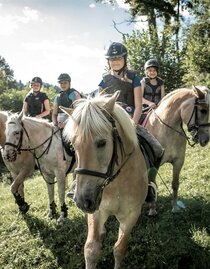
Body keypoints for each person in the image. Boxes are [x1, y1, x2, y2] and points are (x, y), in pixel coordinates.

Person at [98, 42, 164, 203]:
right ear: (108, 62)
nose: (115, 62)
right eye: (112, 59)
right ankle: (78, 184)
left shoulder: (134, 78)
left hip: (131, 120)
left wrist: (133, 125)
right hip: (110, 123)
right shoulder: (104, 81)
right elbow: (101, 105)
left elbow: (139, 105)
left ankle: (149, 183)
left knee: (156, 148)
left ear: (125, 59)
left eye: (118, 58)